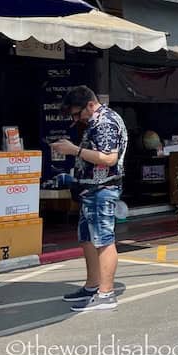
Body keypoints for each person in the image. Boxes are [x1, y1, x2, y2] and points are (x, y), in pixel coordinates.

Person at [51, 86, 128, 312]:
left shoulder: (104, 122)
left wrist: (73, 150)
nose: (76, 119)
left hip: (102, 189)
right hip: (90, 189)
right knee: (87, 238)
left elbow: (109, 158)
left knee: (103, 239)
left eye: (77, 113)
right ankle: (93, 285)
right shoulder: (96, 121)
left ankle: (106, 293)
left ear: (90, 105)